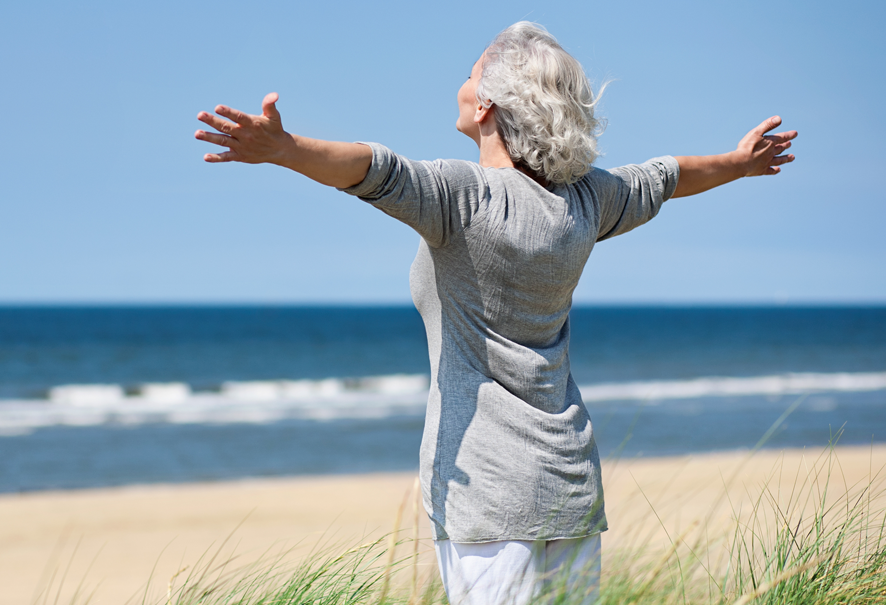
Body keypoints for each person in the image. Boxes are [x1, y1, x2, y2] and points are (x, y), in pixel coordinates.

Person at [193, 21, 795, 605]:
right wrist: (739, 163)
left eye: (471, 71)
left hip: (489, 494)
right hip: (570, 484)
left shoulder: (464, 198)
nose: (460, 81)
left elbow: (373, 168)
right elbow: (666, 177)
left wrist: (284, 149)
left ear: (487, 104)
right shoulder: (585, 200)